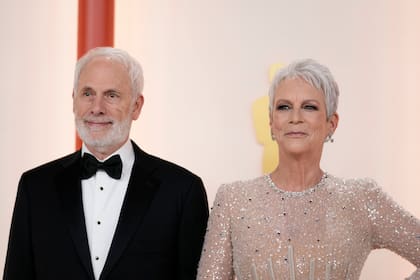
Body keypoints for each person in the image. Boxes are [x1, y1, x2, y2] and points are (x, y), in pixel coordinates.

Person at [197, 59, 420, 280]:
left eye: (309, 107)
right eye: (284, 107)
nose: (295, 118)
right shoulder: (234, 200)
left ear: (331, 123)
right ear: (272, 123)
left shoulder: (361, 198)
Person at [3, 47, 209, 280]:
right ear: (73, 101)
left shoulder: (181, 190)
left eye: (111, 95)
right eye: (87, 93)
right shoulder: (35, 186)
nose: (97, 107)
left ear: (136, 106)